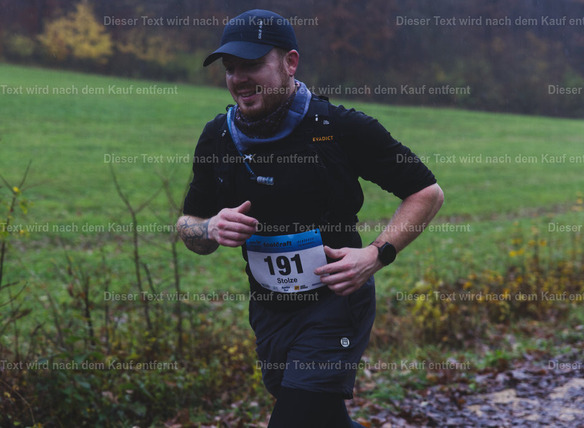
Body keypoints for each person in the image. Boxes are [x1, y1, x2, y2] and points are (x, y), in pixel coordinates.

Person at [177, 9, 444, 428]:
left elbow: (426, 193)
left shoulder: (338, 127)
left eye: (252, 65)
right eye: (230, 68)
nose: (239, 78)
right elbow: (187, 224)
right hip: (269, 309)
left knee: (294, 419)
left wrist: (376, 254)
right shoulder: (218, 137)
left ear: (290, 62)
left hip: (336, 302)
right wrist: (209, 228)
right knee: (322, 419)